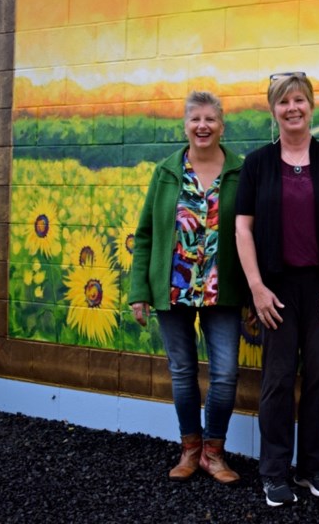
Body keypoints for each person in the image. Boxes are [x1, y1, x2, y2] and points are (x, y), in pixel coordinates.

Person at [235, 72, 319, 507]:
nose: (292, 108)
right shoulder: (256, 165)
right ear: (273, 110)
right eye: (283, 101)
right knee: (277, 380)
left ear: (311, 106)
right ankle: (273, 473)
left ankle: (312, 469)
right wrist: (257, 288)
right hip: (277, 290)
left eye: (299, 100)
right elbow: (243, 229)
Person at [129, 90, 247, 485]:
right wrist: (139, 291)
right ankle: (189, 450)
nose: (203, 126)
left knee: (226, 373)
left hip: (222, 291)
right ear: (185, 125)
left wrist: (256, 289)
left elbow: (254, 233)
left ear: (221, 125)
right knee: (182, 372)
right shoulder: (166, 172)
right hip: (173, 289)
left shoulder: (240, 171)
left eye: (210, 119)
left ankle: (214, 453)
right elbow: (145, 233)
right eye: (195, 119)